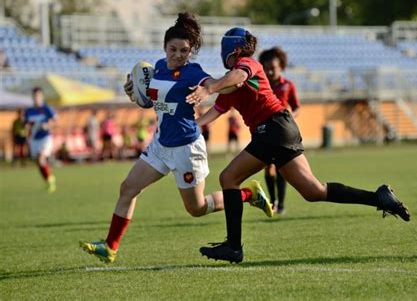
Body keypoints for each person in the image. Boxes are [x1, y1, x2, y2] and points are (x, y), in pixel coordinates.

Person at [186, 27, 411, 264]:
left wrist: (209, 87)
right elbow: (215, 112)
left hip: (272, 128)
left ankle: (233, 247)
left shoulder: (248, 64)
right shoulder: (228, 85)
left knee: (229, 178)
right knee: (313, 191)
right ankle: (379, 198)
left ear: (232, 49)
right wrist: (190, 126)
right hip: (280, 129)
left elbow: (240, 76)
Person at [79, 13, 273, 264]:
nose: (179, 55)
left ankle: (248, 194)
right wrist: (134, 93)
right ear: (164, 48)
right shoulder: (157, 68)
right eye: (174, 49)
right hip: (160, 145)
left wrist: (211, 87)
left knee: (197, 208)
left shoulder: (193, 73)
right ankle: (110, 246)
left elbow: (219, 84)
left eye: (185, 50)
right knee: (128, 188)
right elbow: (151, 101)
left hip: (186, 150)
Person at [259, 47, 300, 214]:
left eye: (273, 68)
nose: (269, 71)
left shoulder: (288, 85)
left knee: (282, 167)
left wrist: (290, 115)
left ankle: (281, 204)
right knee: (268, 167)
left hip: (283, 132)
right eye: (266, 67)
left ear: (281, 66)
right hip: (265, 131)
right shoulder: (262, 85)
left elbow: (297, 107)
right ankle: (273, 201)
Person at [24, 87, 57, 192]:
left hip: (45, 138)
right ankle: (48, 179)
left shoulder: (47, 109)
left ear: (41, 96)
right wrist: (27, 128)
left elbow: (55, 121)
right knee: (39, 163)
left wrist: (47, 125)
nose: (36, 98)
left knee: (41, 158)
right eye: (34, 96)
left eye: (38, 95)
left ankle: (51, 181)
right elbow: (26, 125)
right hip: (34, 139)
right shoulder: (28, 111)